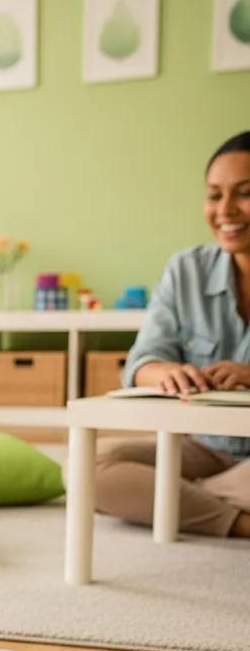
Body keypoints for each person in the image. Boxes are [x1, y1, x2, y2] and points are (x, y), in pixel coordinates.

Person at [95, 131, 250, 537]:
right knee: (90, 467)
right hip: (205, 448)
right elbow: (141, 362)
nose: (226, 210)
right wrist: (166, 372)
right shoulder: (187, 270)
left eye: (245, 193)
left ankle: (181, 500)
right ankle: (236, 519)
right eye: (214, 195)